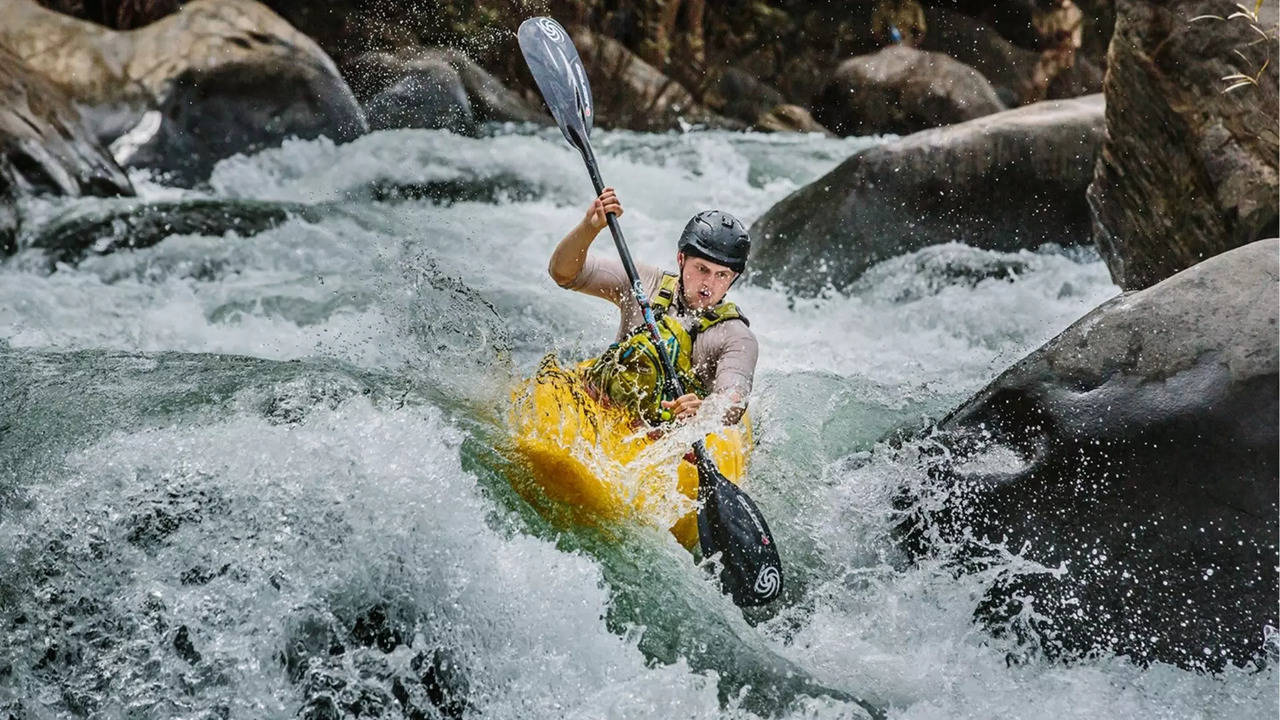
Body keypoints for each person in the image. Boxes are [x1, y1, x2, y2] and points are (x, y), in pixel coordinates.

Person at [548, 187, 757, 427]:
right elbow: (564, 274)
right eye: (702, 269)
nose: (709, 284)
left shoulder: (736, 337)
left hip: (660, 436)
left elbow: (734, 399)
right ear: (681, 259)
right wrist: (589, 227)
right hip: (603, 409)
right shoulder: (643, 284)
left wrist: (706, 410)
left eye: (722, 275)